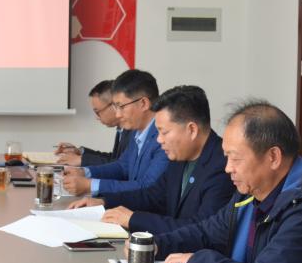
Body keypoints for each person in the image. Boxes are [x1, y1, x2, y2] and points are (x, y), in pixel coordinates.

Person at [154, 100, 302, 263]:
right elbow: (207, 232)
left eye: (235, 159)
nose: (227, 168)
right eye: (226, 157)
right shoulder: (250, 192)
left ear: (273, 157)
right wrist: (156, 245)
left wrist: (196, 260)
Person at [68, 85, 233, 234]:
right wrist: (104, 202)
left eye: (164, 132)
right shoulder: (181, 155)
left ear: (191, 129)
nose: (159, 140)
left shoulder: (223, 166)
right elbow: (152, 196)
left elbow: (201, 228)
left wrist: (133, 219)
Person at [61, 69, 169, 197]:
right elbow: (123, 166)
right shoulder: (137, 131)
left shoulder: (163, 138)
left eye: (121, 107)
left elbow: (147, 187)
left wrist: (90, 185)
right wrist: (84, 172)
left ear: (143, 103)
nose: (117, 114)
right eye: (115, 107)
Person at [54, 79, 134, 166]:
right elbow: (114, 158)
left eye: (97, 112)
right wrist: (79, 152)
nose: (97, 117)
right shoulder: (121, 128)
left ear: (114, 105)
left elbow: (123, 166)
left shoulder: (133, 129)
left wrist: (82, 160)